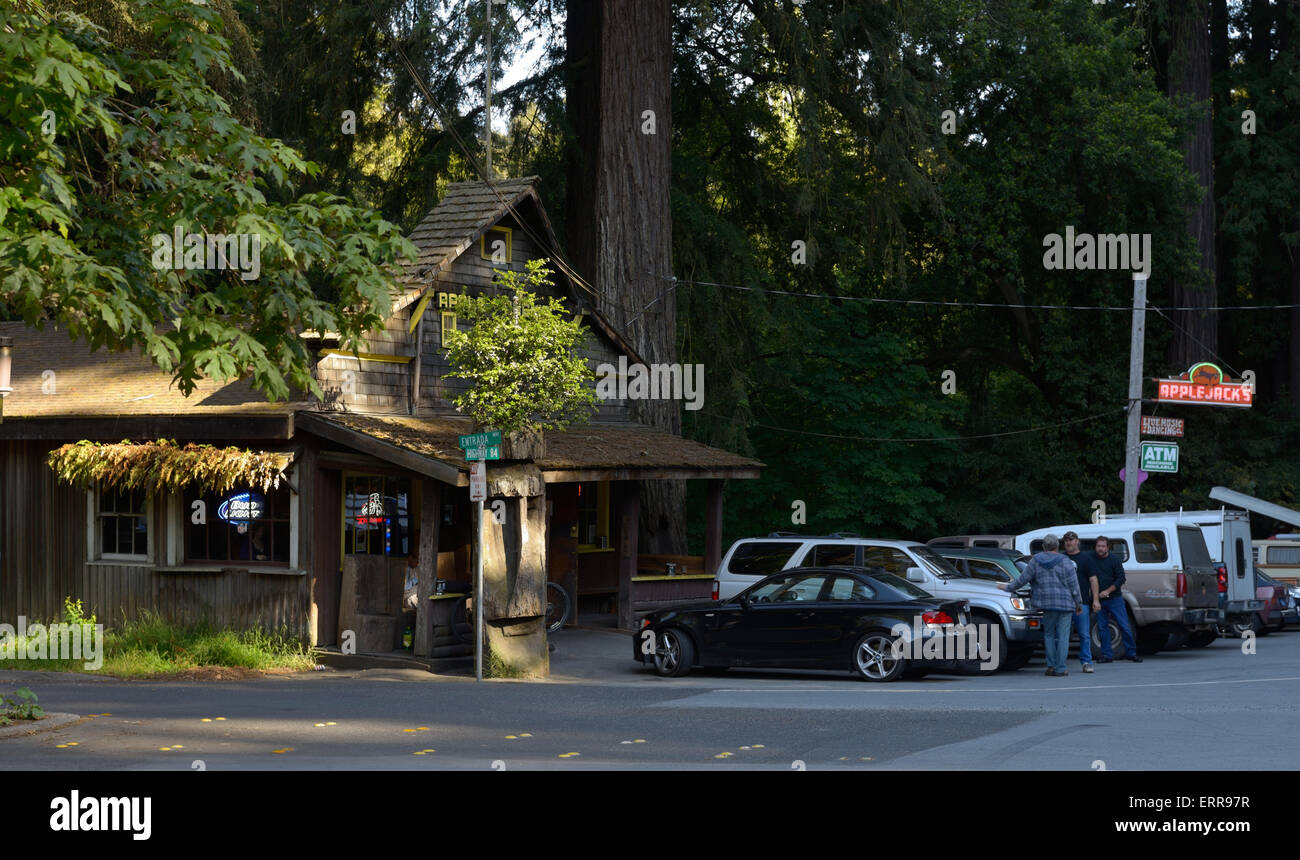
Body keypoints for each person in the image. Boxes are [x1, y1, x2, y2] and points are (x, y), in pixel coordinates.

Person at [999, 533, 1081, 676]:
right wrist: (1078, 602)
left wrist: (1006, 588)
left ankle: (1050, 666)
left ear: (1043, 546)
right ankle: (1060, 668)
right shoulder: (1066, 561)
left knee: (1048, 635)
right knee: (1063, 636)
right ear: (1057, 546)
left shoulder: (1035, 561)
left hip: (1047, 604)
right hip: (1065, 604)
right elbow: (1074, 585)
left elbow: (1022, 580)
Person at [1091, 535, 1142, 663]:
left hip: (1115, 598)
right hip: (1098, 600)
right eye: (1098, 546)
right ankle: (1107, 655)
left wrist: (1108, 591)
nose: (1100, 549)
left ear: (1108, 547)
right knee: (1102, 628)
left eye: (1103, 546)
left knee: (1124, 625)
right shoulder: (1091, 559)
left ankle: (1131, 653)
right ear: (1095, 547)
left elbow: (1121, 578)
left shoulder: (1115, 560)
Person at [1062, 531, 1100, 673]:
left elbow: (1093, 579)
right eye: (1066, 540)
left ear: (1077, 541)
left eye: (1071, 540)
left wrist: (1095, 600)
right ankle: (1060, 664)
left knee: (1084, 634)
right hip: (1063, 603)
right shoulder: (1060, 558)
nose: (1068, 542)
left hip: (1082, 602)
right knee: (1062, 635)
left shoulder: (1086, 559)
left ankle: (1086, 662)